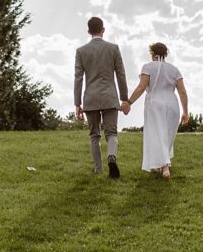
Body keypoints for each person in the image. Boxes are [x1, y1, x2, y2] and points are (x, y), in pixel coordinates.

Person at [74, 16, 129, 179]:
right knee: (111, 133)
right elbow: (121, 74)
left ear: (88, 31)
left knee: (94, 135)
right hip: (110, 97)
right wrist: (124, 98)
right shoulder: (113, 48)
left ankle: (98, 169)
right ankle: (112, 156)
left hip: (90, 98)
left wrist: (77, 103)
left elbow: (78, 78)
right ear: (103, 30)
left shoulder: (81, 51)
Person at [123, 42, 189, 179]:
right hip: (172, 104)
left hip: (154, 103)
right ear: (165, 54)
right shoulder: (174, 69)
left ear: (152, 54)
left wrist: (129, 102)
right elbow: (182, 92)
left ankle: (164, 166)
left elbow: (142, 87)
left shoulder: (147, 67)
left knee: (156, 134)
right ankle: (162, 164)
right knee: (166, 135)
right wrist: (185, 111)